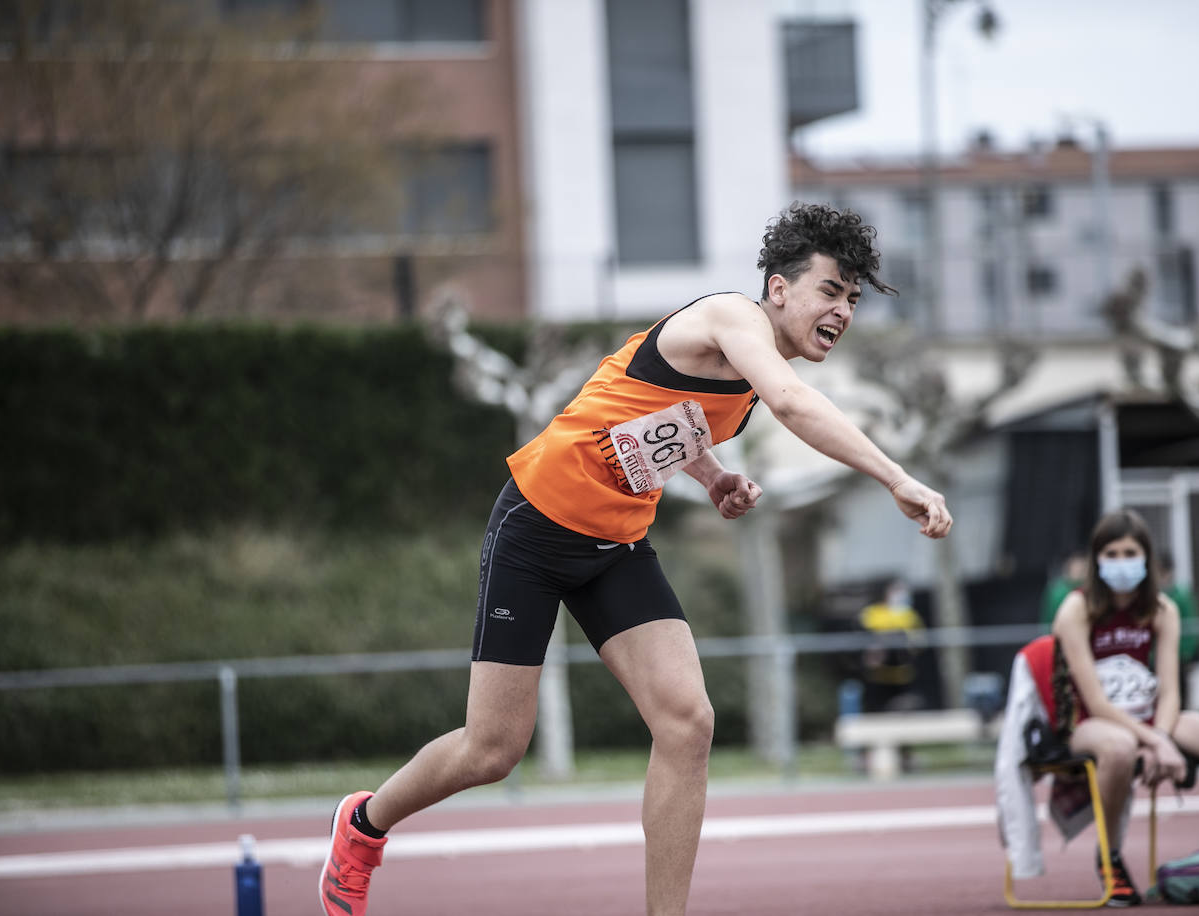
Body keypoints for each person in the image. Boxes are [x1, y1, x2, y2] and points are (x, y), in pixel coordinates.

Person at [318, 202, 953, 916]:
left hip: (615, 544)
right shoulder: (731, 320)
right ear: (779, 289)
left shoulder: (742, 365)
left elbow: (665, 420)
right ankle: (364, 825)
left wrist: (712, 477)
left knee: (688, 722)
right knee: (493, 750)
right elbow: (795, 406)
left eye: (854, 300)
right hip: (535, 528)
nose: (842, 311)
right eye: (831, 291)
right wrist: (895, 476)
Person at [1050, 508, 1199, 907]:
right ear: (1096, 559)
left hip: (1152, 718)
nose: (1120, 562)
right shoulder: (1075, 610)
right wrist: (1154, 742)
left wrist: (1161, 737)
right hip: (1090, 721)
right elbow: (1095, 700)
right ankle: (1109, 858)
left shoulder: (1163, 610)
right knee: (1119, 748)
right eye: (1110, 554)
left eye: (1129, 552)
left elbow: (1169, 692)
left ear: (1146, 557)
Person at [857, 577, 927, 712]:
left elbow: (918, 641)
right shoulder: (872, 612)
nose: (900, 595)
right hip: (877, 676)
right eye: (896, 590)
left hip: (903, 675)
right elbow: (863, 637)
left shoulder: (910, 615)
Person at [1040, 550, 1087, 629]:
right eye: (1077, 567)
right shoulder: (1057, 591)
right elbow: (1047, 619)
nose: (1079, 571)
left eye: (1082, 568)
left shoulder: (1088, 589)